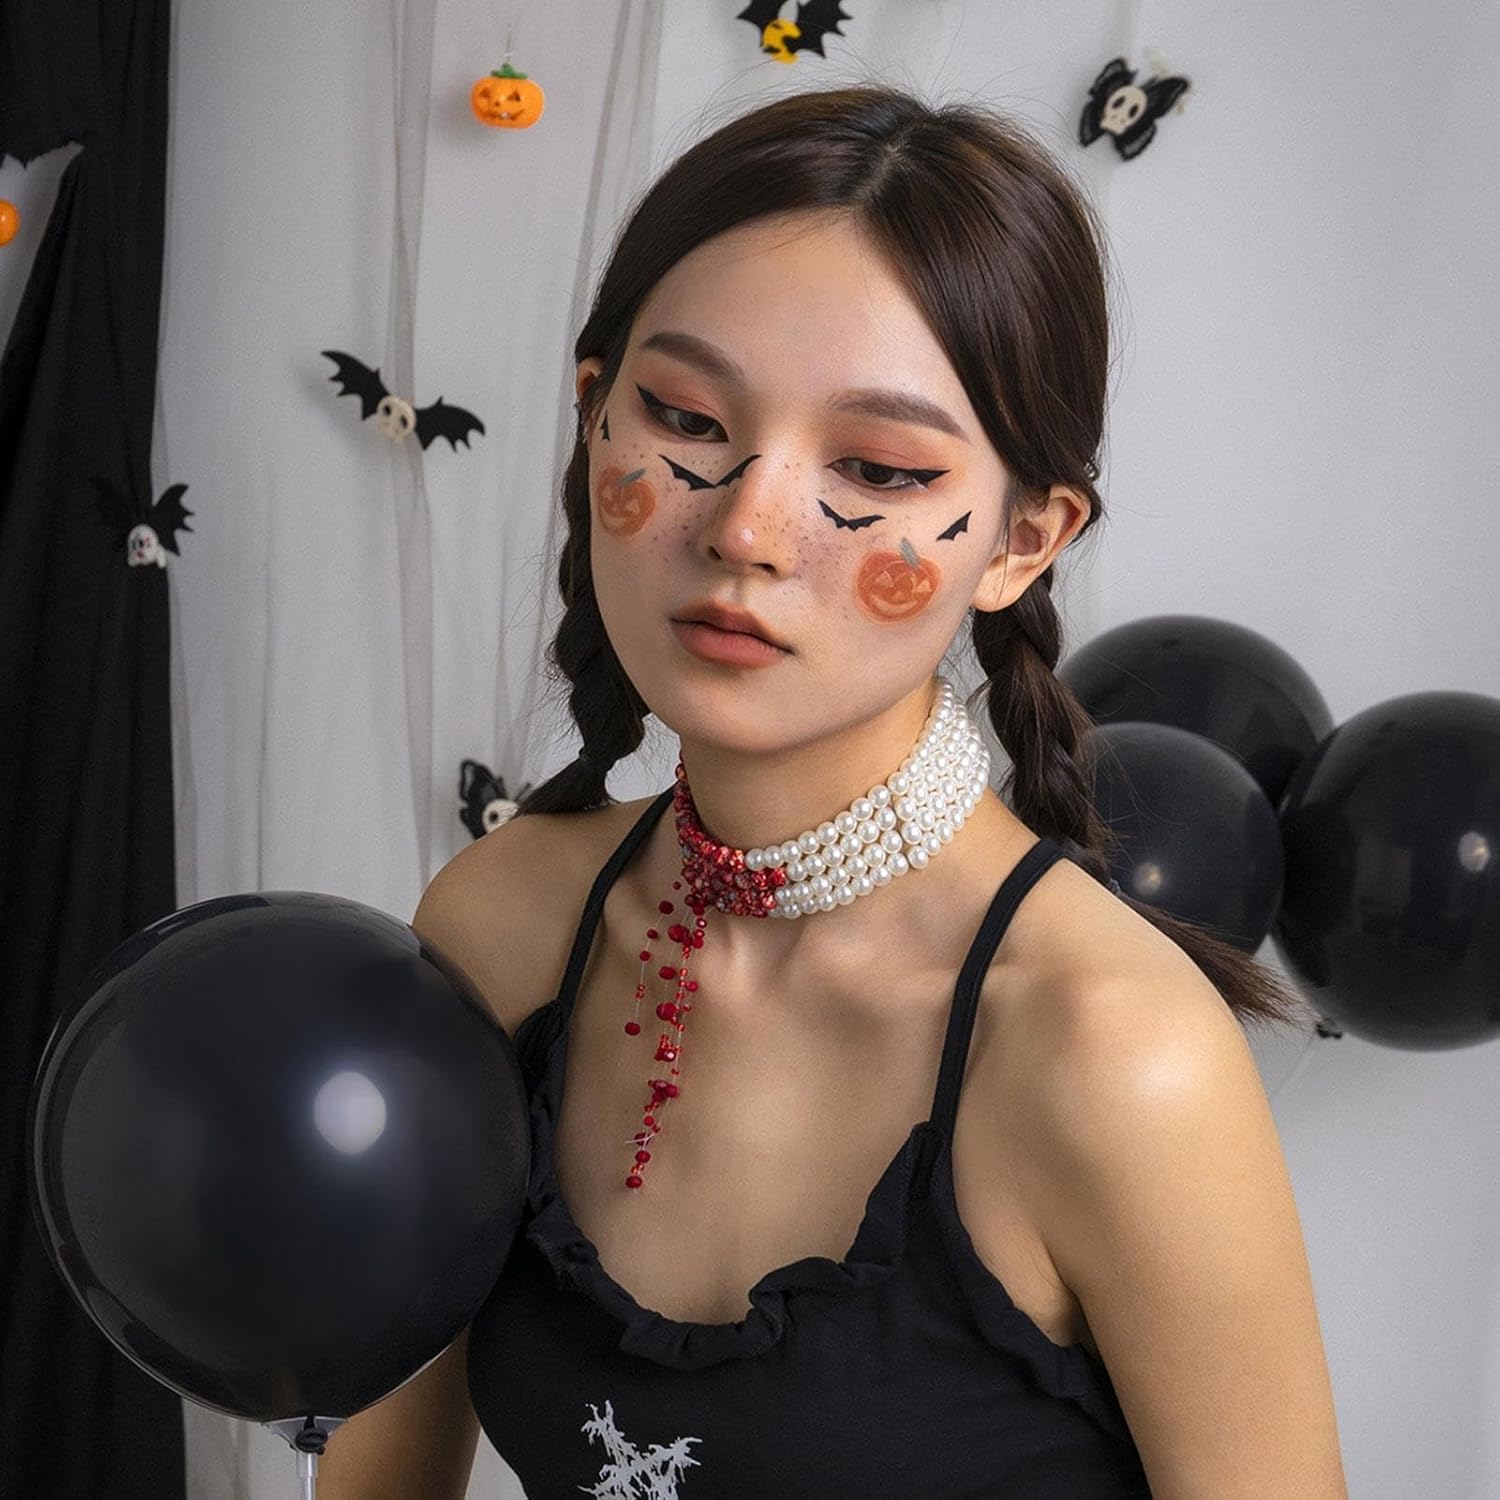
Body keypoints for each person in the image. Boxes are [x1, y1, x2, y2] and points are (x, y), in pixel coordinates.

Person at [320, 84, 1348, 1498]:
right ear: (592, 411)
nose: (746, 527)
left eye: (875, 468)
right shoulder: (500, 929)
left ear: (1022, 541)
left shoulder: (1113, 1052)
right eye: (684, 416)